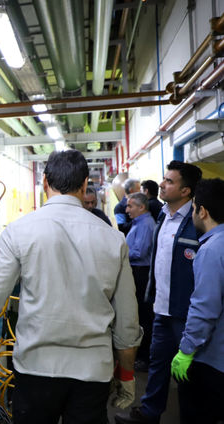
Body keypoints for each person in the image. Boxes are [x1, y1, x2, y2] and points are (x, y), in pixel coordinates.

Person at [0, 150, 142, 423]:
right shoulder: (113, 239)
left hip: (36, 369)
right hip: (92, 372)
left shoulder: (19, 231)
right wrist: (126, 374)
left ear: (44, 182)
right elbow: (127, 318)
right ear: (84, 184)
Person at [115, 160, 202, 424]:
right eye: (164, 179)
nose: (162, 184)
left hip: (185, 312)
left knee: (188, 373)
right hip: (161, 308)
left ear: (185, 190)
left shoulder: (196, 220)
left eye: (169, 181)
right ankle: (149, 413)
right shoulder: (163, 216)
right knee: (158, 363)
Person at [171, 178, 224, 423]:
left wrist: (186, 349)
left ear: (202, 212)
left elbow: (205, 308)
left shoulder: (212, 250)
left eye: (193, 208)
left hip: (212, 361)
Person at [125, 192, 156, 371]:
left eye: (130, 206)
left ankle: (145, 357)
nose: (127, 210)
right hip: (137, 272)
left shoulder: (145, 225)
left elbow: (139, 252)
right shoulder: (139, 223)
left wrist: (121, 250)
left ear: (141, 207)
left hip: (141, 273)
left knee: (144, 316)